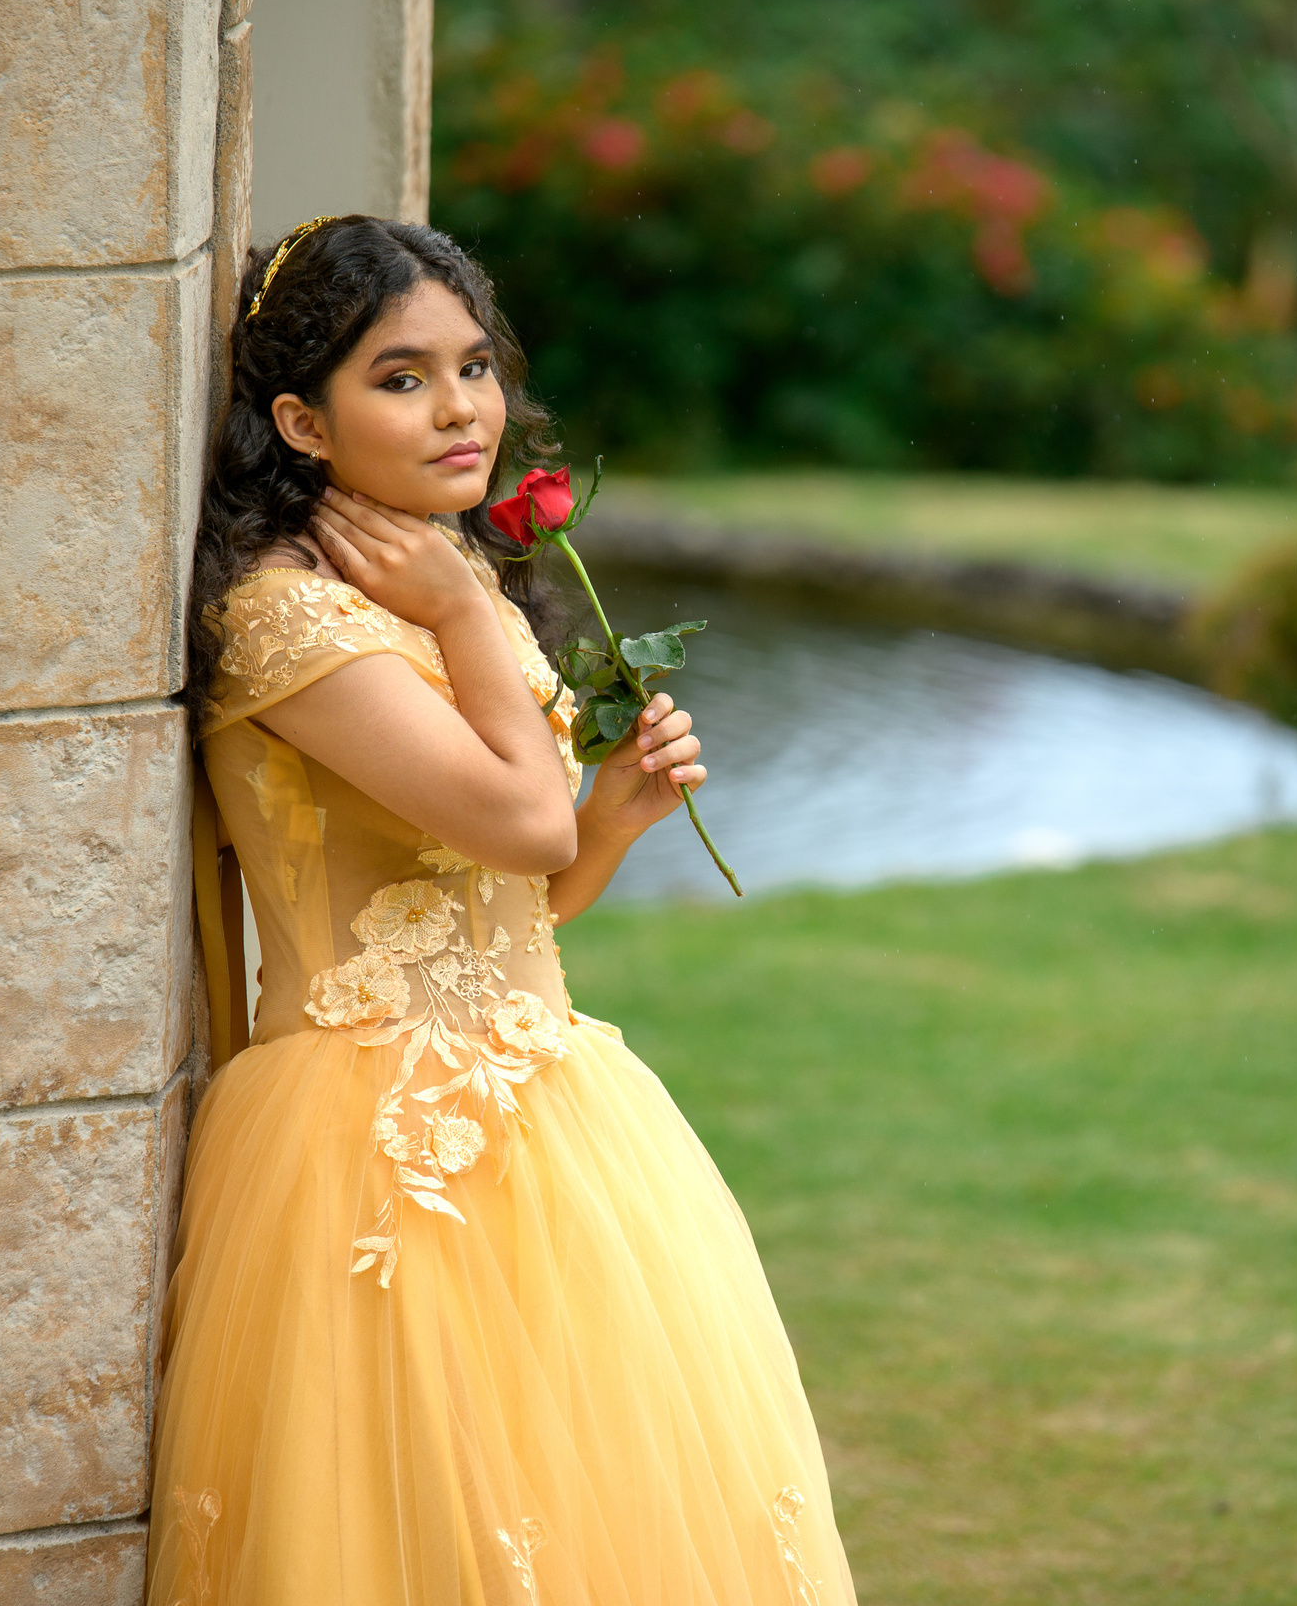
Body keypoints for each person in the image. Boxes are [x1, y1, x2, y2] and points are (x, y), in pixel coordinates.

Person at [147, 215, 854, 1605]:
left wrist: (615, 821)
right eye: (400, 378)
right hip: (372, 1147)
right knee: (421, 1533)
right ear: (300, 422)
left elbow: (513, 895)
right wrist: (472, 625)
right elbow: (522, 821)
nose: (462, 407)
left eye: (473, 366)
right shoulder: (292, 619)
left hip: (550, 1113)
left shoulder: (431, 571)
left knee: (595, 1520)